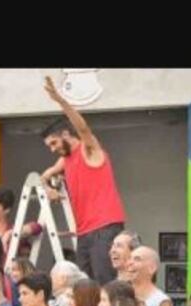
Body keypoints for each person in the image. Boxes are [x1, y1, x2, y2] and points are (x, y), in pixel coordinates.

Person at [41, 76, 128, 284]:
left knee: (105, 282)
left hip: (104, 226)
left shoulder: (88, 149)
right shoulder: (65, 160)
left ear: (65, 133)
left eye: (54, 143)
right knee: (84, 287)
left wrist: (61, 101)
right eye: (50, 147)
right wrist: (47, 188)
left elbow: (83, 129)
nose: (53, 149)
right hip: (84, 231)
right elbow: (44, 175)